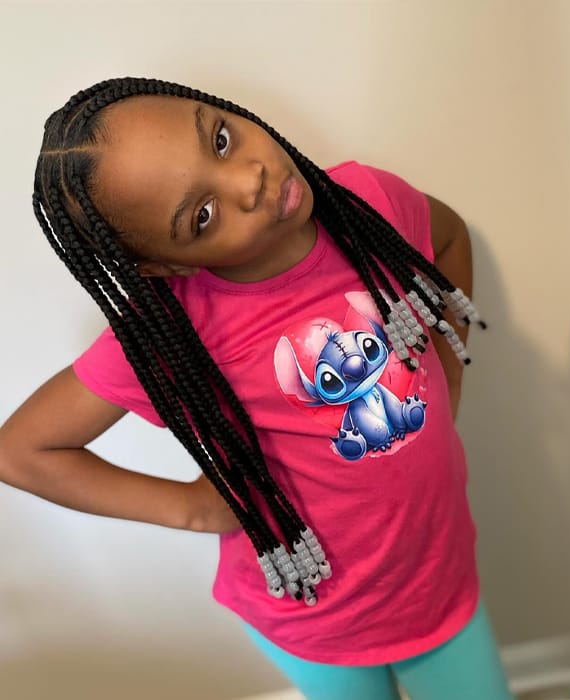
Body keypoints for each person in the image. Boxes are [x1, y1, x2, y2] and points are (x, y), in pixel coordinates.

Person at [0, 77, 511, 700]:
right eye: (203, 215)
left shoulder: (365, 199)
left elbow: (448, 236)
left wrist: (448, 367)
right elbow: (20, 451)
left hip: (440, 580)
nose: (249, 181)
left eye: (219, 138)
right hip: (313, 617)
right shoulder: (175, 328)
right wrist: (192, 508)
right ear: (166, 263)